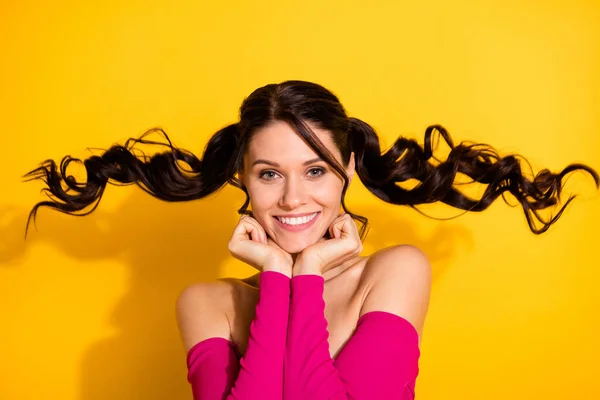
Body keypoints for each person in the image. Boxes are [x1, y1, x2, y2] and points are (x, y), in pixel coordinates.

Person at [23, 80, 598, 399]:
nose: (294, 199)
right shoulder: (206, 303)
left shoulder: (394, 273)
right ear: (241, 179)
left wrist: (302, 274)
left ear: (346, 169)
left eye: (316, 170)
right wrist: (283, 276)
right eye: (269, 173)